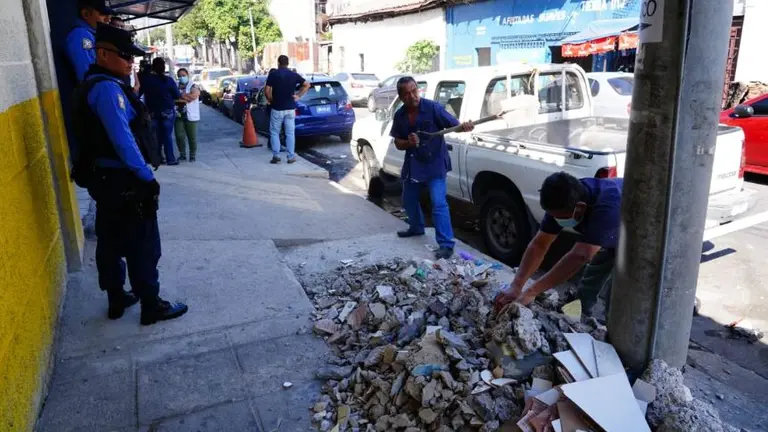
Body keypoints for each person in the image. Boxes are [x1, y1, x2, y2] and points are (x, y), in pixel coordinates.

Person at [72, 24, 188, 325]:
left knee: (110, 240)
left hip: (106, 181)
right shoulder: (109, 89)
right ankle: (151, 305)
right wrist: (147, 179)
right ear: (102, 54)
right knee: (144, 243)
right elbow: (123, 139)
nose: (130, 62)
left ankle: (116, 297)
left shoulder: (95, 83)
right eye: (125, 55)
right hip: (125, 180)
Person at [494, 172, 622, 317]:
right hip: (613, 231)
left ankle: (614, 329)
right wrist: (516, 286)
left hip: (640, 236)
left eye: (561, 218)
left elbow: (580, 256)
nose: (556, 220)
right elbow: (539, 244)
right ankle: (579, 312)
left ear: (580, 208)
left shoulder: (607, 207)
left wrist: (532, 291)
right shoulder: (561, 198)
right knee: (596, 268)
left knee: (620, 293)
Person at [390, 76, 474, 260]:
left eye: (415, 90)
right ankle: (416, 227)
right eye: (408, 93)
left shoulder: (433, 108)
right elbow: (398, 143)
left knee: (438, 203)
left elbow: (455, 126)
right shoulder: (400, 115)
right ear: (401, 97)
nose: (413, 95)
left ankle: (446, 245)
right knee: (408, 200)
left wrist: (464, 126)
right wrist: (408, 142)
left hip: (435, 163)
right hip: (414, 163)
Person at [264, 55, 310, 164]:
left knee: (274, 132)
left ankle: (276, 156)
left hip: (277, 108)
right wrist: (298, 96)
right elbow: (307, 85)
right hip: (290, 108)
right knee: (290, 133)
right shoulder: (294, 75)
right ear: (288, 63)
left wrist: (271, 100)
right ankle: (290, 157)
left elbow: (267, 90)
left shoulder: (273, 74)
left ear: (278, 63)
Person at [140, 57, 184, 165]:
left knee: (156, 136)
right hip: (168, 111)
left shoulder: (146, 80)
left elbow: (138, 94)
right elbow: (177, 95)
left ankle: (158, 158)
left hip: (153, 112)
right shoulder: (168, 80)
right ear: (164, 67)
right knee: (167, 135)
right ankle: (170, 159)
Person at [66, 0, 113, 84]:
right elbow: (87, 76)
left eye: (109, 14)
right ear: (86, 14)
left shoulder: (91, 34)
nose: (108, 19)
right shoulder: (80, 35)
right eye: (102, 14)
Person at [175, 68, 201, 162]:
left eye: (183, 75)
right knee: (179, 135)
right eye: (180, 76)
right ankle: (182, 154)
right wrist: (186, 97)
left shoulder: (193, 85)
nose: (182, 77)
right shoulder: (175, 85)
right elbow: (172, 97)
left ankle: (192, 154)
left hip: (190, 115)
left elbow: (193, 96)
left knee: (192, 137)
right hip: (178, 114)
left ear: (187, 75)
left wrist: (179, 96)